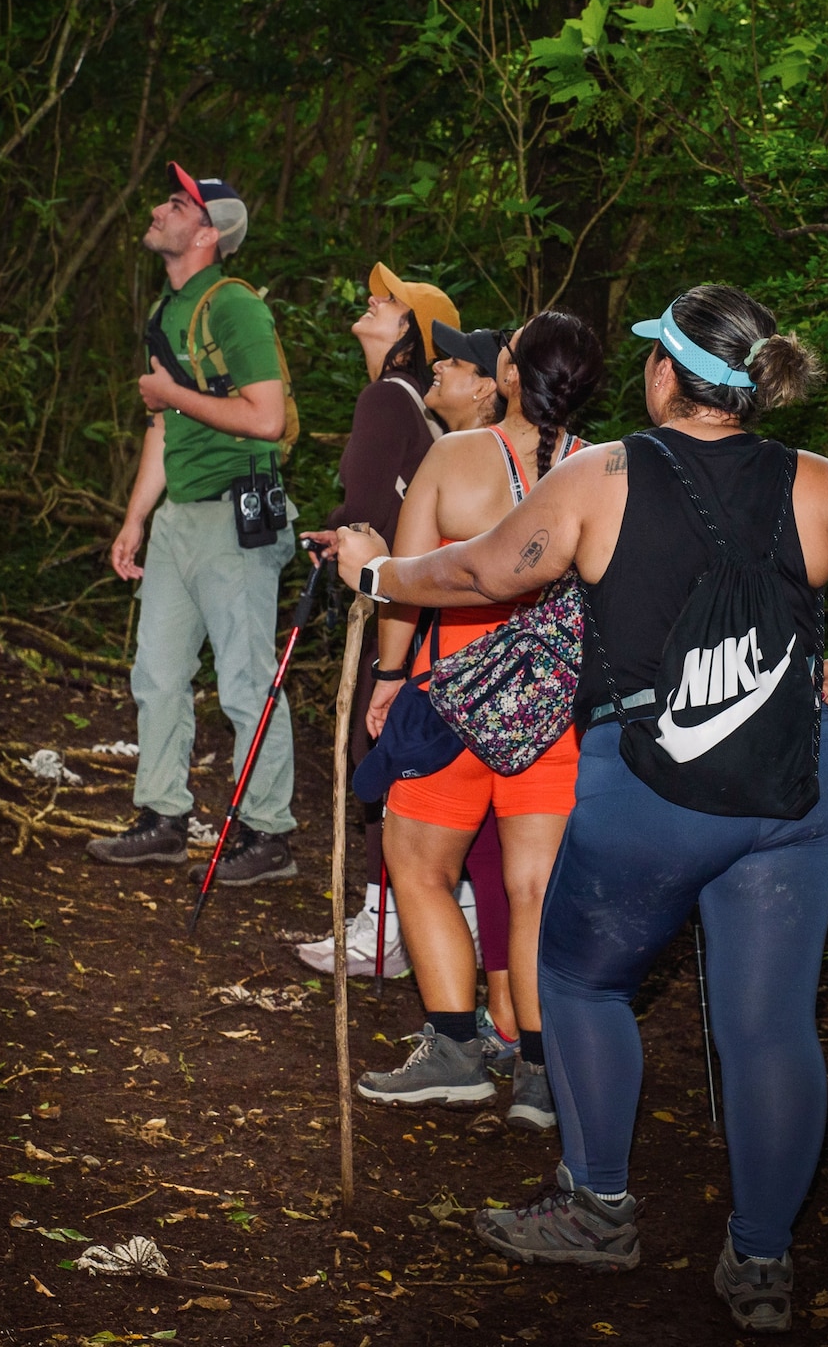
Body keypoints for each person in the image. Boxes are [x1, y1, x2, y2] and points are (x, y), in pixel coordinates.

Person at [330, 283, 828, 1330]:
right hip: (798, 778)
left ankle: (598, 1209)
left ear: (665, 374)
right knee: (770, 1027)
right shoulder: (810, 481)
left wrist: (380, 576)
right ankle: (761, 1261)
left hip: (661, 778)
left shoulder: (606, 474)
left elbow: (487, 568)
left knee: (579, 982)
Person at [320, 311, 606, 1134]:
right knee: (534, 889)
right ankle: (542, 1076)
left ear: (508, 376)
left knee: (417, 865)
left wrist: (390, 675)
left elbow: (406, 583)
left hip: (455, 703)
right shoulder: (609, 472)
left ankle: (454, 1048)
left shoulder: (453, 459)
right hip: (556, 712)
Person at [87, 161, 299, 882]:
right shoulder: (166, 314)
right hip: (180, 517)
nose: (159, 207)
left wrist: (172, 393)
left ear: (209, 232)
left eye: (176, 203)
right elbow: (162, 428)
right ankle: (163, 818)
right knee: (158, 673)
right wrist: (135, 519)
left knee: (245, 682)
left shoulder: (233, 306)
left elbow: (266, 419)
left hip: (236, 517)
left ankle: (268, 834)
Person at [292, 264, 461, 977]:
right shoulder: (417, 411)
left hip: (395, 598)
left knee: (375, 756)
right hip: (424, 598)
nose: (373, 300)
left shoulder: (384, 403)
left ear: (407, 340)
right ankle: (429, 913)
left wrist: (337, 531)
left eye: (389, 303)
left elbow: (363, 501)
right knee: (408, 759)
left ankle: (384, 923)